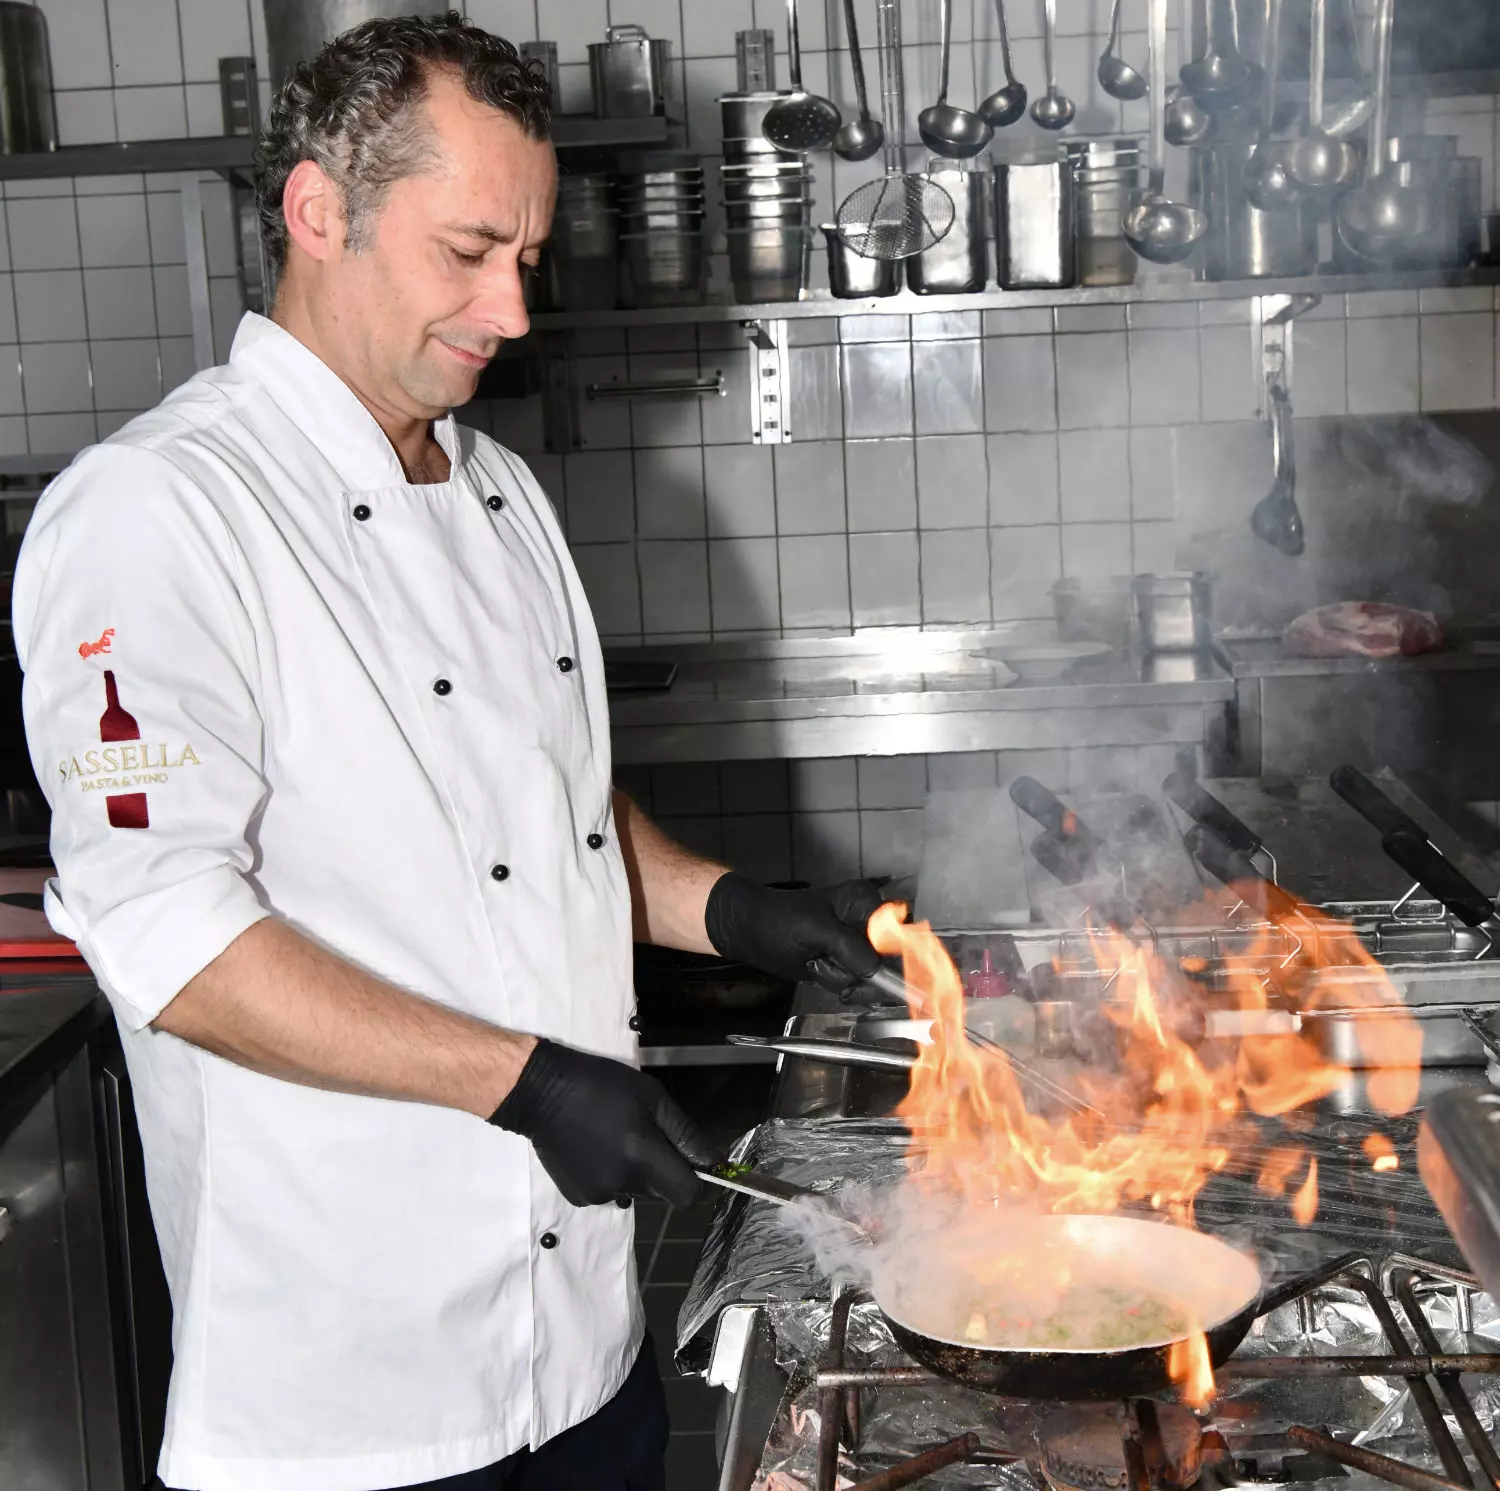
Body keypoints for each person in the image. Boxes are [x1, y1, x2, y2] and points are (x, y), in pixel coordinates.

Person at [11, 15, 886, 1491]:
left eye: (527, 259)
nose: (515, 310)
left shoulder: (496, 491)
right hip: (354, 1393)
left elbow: (544, 804)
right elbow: (166, 933)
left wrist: (734, 906)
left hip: (584, 1351)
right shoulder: (159, 512)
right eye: (469, 250)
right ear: (317, 212)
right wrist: (528, 1085)